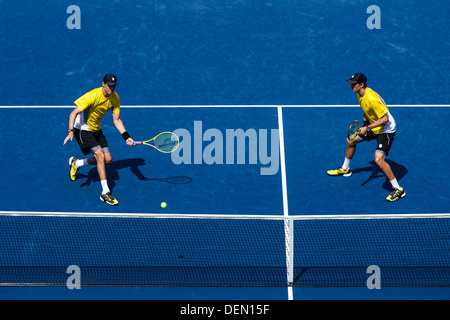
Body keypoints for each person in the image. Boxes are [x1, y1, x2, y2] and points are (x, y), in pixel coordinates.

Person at [327, 72, 405, 202]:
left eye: (353, 84)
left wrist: (368, 128)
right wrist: (364, 125)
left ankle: (398, 189)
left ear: (361, 84)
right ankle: (345, 169)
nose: (351, 86)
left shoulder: (372, 98)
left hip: (386, 130)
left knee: (379, 160)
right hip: (373, 126)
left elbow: (385, 119)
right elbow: (366, 110)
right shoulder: (359, 94)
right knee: (350, 141)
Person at [63, 73, 135, 205]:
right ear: (103, 84)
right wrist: (70, 131)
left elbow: (116, 119)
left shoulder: (115, 98)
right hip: (82, 130)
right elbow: (73, 113)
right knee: (100, 156)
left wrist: (127, 137)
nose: (111, 89)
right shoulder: (92, 96)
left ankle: (76, 163)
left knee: (108, 159)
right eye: (109, 86)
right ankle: (105, 193)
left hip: (96, 130)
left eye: (114, 86)